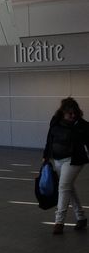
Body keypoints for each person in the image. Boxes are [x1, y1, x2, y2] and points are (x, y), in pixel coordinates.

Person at [43, 97, 89, 234]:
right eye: (70, 113)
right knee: (68, 187)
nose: (73, 115)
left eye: (75, 113)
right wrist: (45, 156)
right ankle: (81, 217)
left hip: (74, 160)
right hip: (57, 160)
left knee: (63, 187)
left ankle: (59, 222)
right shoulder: (55, 121)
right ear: (63, 112)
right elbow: (49, 138)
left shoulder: (83, 125)